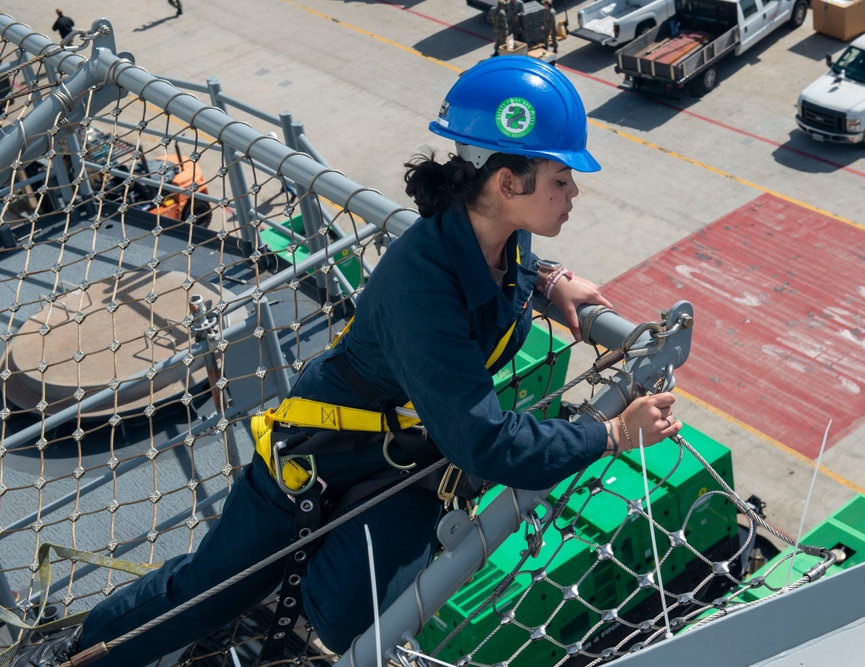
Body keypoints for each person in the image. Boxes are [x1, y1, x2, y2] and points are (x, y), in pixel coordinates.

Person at [12, 56, 682, 667]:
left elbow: (504, 272)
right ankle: (80, 656)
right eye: (561, 179)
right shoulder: (424, 283)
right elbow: (483, 441)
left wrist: (549, 279)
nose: (573, 193)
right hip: (319, 457)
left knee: (337, 620)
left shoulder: (493, 235)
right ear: (508, 181)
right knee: (208, 591)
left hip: (397, 460)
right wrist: (613, 433)